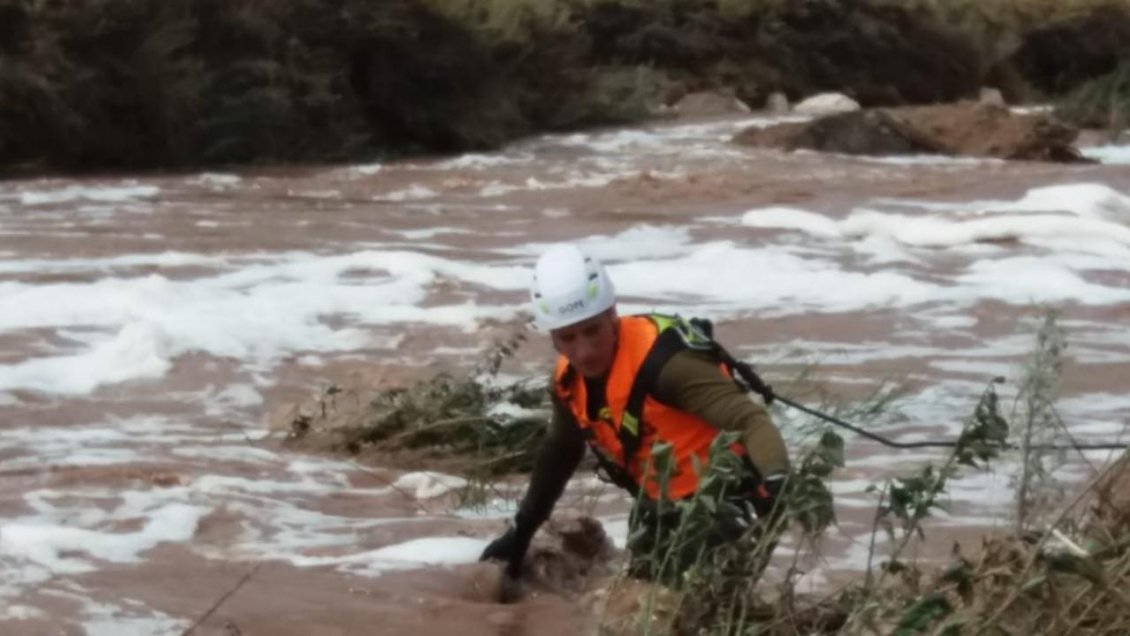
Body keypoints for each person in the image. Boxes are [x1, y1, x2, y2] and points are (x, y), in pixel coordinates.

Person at [480, 243, 790, 585]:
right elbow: (562, 450)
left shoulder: (667, 365)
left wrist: (776, 481)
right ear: (553, 338)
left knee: (687, 604)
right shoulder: (567, 382)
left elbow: (750, 420)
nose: (584, 351)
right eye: (568, 337)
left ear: (612, 315)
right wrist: (522, 531)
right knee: (634, 595)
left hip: (729, 500)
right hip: (658, 506)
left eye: (593, 330)